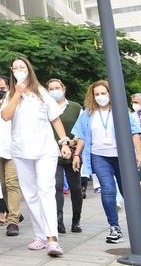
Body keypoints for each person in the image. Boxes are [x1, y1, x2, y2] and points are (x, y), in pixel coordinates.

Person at [0, 57, 72, 257]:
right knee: (30, 194)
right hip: (21, 151)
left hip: (45, 150)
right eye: (15, 68)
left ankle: (52, 238)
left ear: (29, 70)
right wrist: (16, 94)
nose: (18, 70)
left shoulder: (42, 93)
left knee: (45, 191)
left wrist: (64, 142)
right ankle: (40, 235)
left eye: (22, 67)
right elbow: (5, 116)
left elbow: (55, 119)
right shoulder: (10, 94)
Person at [71, 81, 141, 243]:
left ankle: (137, 224)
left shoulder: (121, 111)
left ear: (111, 94)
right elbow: (81, 135)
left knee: (128, 190)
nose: (100, 97)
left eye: (103, 93)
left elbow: (134, 133)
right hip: (99, 156)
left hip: (122, 156)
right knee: (108, 190)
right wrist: (77, 154)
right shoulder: (88, 113)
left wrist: (139, 154)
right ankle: (114, 227)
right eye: (96, 94)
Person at [46, 79, 83, 234]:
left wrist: (74, 143)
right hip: (52, 152)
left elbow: (82, 129)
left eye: (57, 88)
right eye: (51, 88)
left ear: (63, 89)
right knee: (57, 186)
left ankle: (76, 220)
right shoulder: (45, 107)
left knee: (75, 187)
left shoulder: (75, 107)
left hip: (73, 151)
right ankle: (58, 221)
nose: (55, 91)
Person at [0, 75, 22, 237]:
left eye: (2, 88)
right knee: (1, 187)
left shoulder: (14, 100)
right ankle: (13, 209)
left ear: (8, 88)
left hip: (12, 149)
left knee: (12, 183)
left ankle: (13, 220)